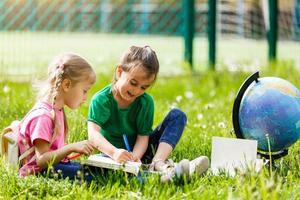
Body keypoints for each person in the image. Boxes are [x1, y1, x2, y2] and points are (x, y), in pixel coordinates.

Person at [88, 46, 209, 182]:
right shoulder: (102, 100)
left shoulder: (145, 102)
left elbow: (143, 136)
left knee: (177, 115)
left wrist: (135, 156)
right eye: (133, 83)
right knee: (107, 174)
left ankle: (158, 163)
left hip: (140, 153)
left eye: (144, 87)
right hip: (111, 155)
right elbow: (93, 134)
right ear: (119, 72)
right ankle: (169, 176)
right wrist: (114, 152)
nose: (137, 91)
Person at [17, 53, 96, 180]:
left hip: (55, 165)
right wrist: (71, 147)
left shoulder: (56, 110)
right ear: (66, 85)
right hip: (40, 172)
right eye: (84, 91)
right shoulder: (43, 117)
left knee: (95, 169)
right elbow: (41, 161)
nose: (85, 97)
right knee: (92, 175)